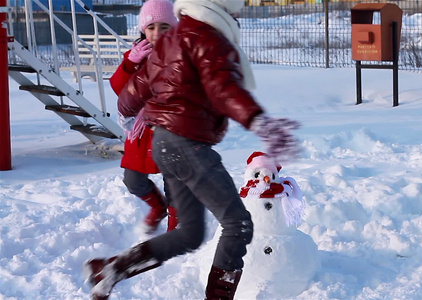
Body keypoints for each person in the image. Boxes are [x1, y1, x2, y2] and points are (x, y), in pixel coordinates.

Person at [84, 1, 301, 299]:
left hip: (165, 143)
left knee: (190, 234)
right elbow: (223, 89)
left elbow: (131, 94)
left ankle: (113, 269)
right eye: (235, 9)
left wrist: (141, 111)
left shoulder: (173, 38)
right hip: (187, 144)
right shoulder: (208, 38)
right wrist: (260, 122)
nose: (236, 15)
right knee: (237, 224)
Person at [111, 0, 178, 234]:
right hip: (140, 130)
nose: (156, 33)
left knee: (175, 185)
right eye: (151, 27)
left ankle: (176, 231)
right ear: (143, 29)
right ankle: (157, 207)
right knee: (133, 181)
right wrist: (130, 63)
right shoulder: (136, 54)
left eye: (164, 27)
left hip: (170, 130)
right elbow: (118, 88)